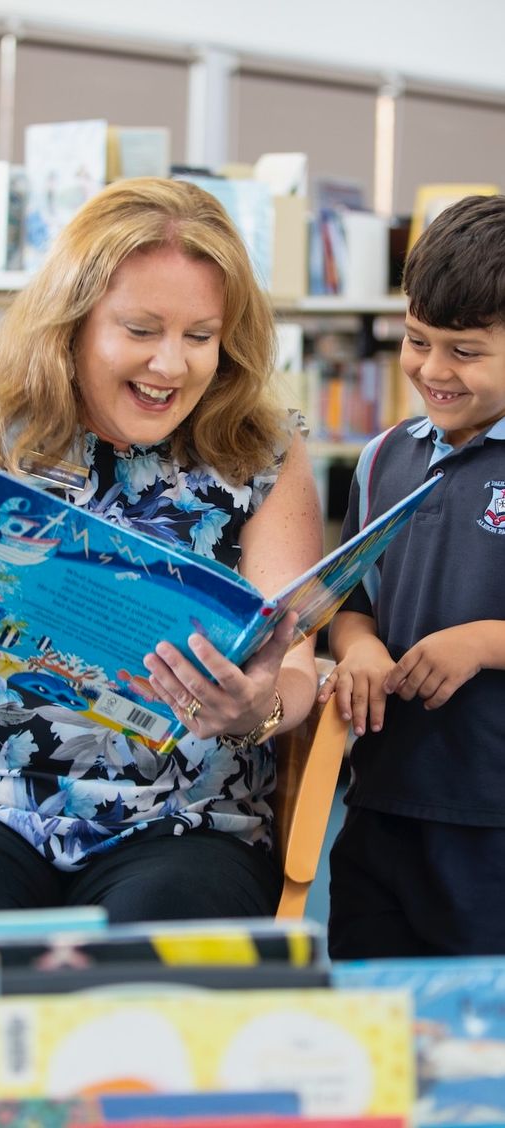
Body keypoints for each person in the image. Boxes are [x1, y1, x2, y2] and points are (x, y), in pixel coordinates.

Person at [0, 176, 322, 922]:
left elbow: (299, 673)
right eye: (141, 330)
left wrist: (256, 709)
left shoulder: (263, 454)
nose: (171, 367)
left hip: (184, 819)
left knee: (162, 973)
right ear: (74, 322)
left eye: (200, 336)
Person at [319, 193, 505, 958]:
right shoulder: (382, 457)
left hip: (493, 820)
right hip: (384, 803)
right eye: (417, 340)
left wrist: (485, 642)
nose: (432, 369)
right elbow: (350, 597)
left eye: (465, 350)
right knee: (374, 1024)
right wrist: (357, 644)